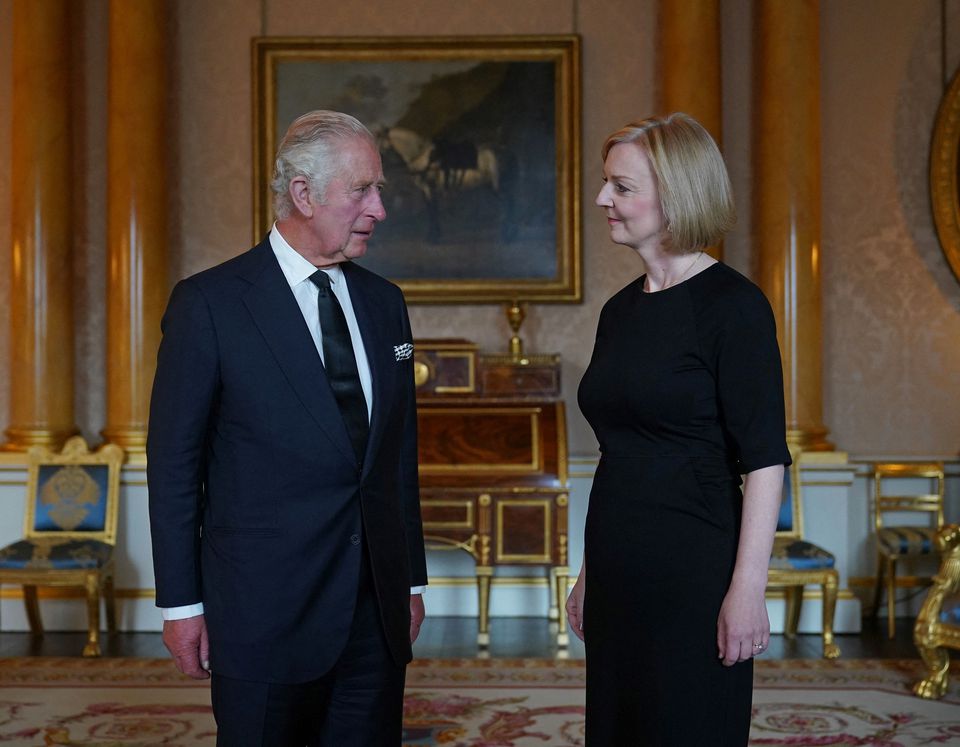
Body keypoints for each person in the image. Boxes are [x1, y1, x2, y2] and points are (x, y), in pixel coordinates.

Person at [147, 110, 427, 746]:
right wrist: (181, 605)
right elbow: (173, 465)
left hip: (373, 617)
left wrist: (408, 580)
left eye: (379, 190)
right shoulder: (211, 305)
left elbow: (397, 456)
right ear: (303, 194)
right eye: (363, 190)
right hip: (260, 613)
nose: (379, 209)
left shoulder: (386, 304)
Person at [565, 112, 790, 745]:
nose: (604, 199)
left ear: (677, 197)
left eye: (623, 186)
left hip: (695, 568)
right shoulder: (619, 310)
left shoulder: (735, 308)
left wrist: (747, 589)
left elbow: (765, 461)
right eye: (605, 183)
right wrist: (590, 572)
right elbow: (621, 451)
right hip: (618, 562)